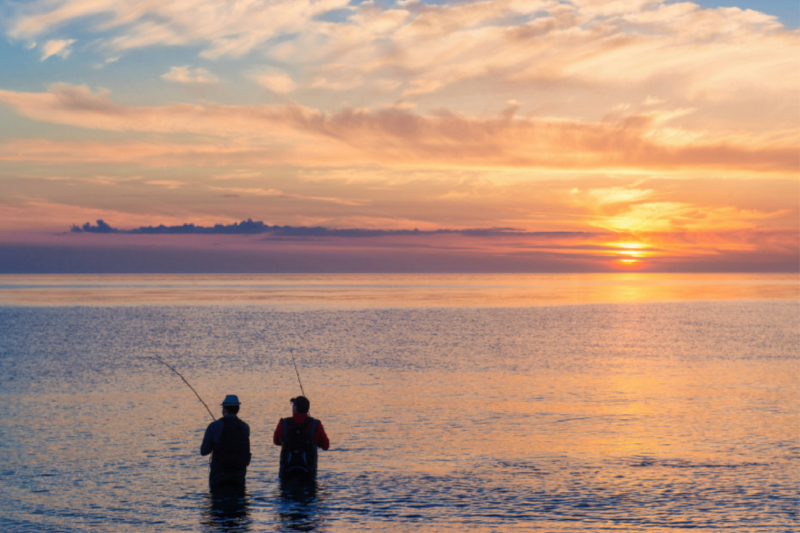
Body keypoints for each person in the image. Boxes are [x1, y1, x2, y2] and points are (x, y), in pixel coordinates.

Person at [201, 395, 251, 489]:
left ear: (224, 409)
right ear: (238, 409)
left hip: (218, 478)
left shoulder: (214, 426)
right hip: (239, 478)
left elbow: (204, 451)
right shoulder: (245, 427)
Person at [273, 396, 329, 479]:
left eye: (293, 405)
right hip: (309, 473)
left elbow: (276, 442)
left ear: (295, 408)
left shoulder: (283, 423)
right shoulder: (316, 424)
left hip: (286, 472)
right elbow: (326, 446)